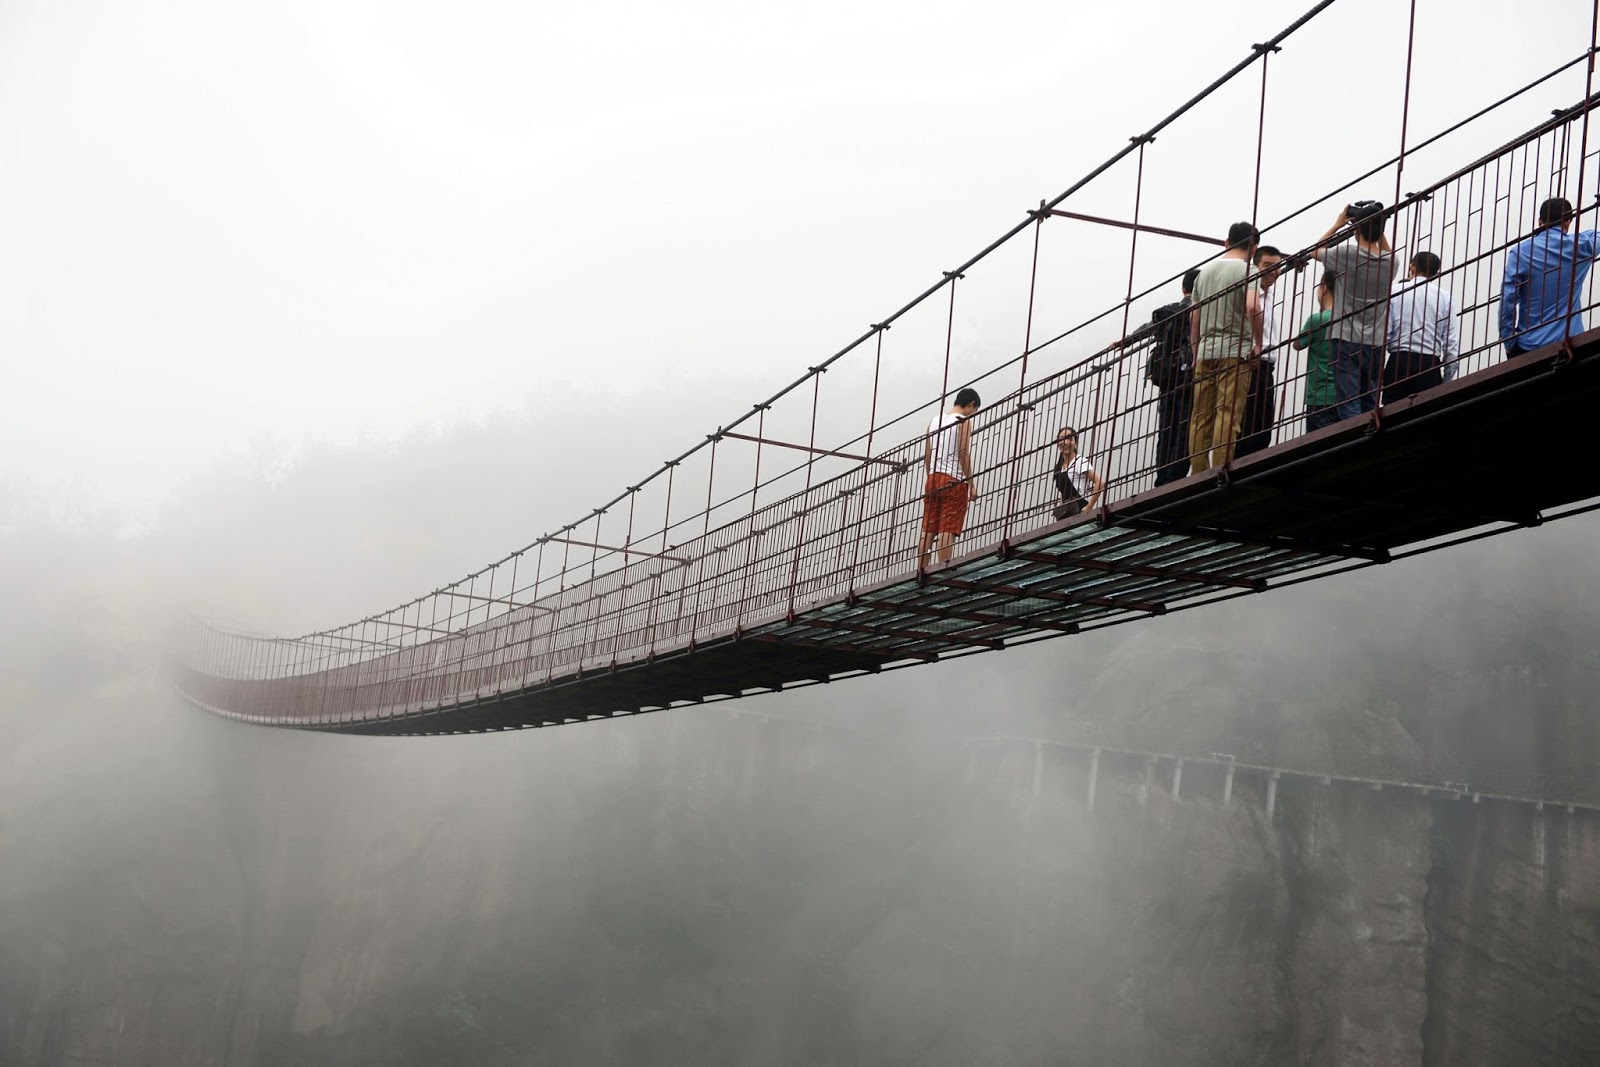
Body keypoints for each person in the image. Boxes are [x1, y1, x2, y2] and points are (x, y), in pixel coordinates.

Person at [1188, 221, 1263, 474]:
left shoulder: (1203, 274)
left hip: (1206, 352)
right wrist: (1258, 343)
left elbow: (1194, 319)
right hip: (1235, 351)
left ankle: (1198, 472)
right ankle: (1221, 470)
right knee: (1227, 413)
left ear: (1226, 242)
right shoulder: (1248, 271)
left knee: (1200, 417)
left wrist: (1196, 352)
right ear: (1253, 248)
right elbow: (1253, 307)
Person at [1312, 200, 1397, 421]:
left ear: (1356, 229)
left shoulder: (1347, 254)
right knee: (1369, 398)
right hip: (1375, 342)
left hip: (1345, 338)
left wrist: (1339, 223)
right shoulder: (1392, 262)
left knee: (1348, 400)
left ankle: (1355, 441)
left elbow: (1315, 251)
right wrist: (1378, 223)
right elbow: (1387, 252)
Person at [1500, 196, 1600, 357]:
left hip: (1529, 346)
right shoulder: (1581, 247)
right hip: (1571, 342)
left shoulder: (1520, 252)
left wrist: (1509, 342)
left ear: (1540, 221)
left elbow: (1508, 300)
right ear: (1568, 221)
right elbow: (1597, 236)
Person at [1137, 267, 1201, 485]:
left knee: (1166, 428)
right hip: (1189, 374)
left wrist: (1124, 341)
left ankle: (1162, 477)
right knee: (1185, 424)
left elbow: (1147, 328)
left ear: (1183, 287)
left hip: (1166, 377)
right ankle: (1176, 475)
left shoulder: (1168, 311)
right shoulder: (1203, 308)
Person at [1384, 251, 1459, 402]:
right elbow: (1451, 345)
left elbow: (1384, 334)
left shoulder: (1394, 292)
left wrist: (1380, 372)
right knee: (1426, 419)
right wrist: (1446, 380)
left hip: (1399, 361)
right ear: (1436, 274)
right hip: (1429, 365)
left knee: (1392, 418)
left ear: (1411, 268)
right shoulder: (1445, 298)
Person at [918, 387, 981, 569]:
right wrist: (972, 483)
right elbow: (963, 453)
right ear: (971, 405)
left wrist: (932, 476)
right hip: (953, 480)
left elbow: (928, 456)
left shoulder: (934, 422)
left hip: (932, 478)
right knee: (948, 527)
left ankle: (921, 570)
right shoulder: (963, 421)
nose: (973, 415)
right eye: (974, 411)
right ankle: (943, 569)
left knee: (928, 528)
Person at [1236, 245, 1285, 456]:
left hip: (1267, 366)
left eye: (1277, 267)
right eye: (1267, 266)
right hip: (1251, 363)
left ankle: (1255, 464)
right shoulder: (1249, 294)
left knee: (1264, 426)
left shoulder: (1270, 294)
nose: (1273, 272)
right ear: (1255, 267)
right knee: (1247, 425)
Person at [1295, 271, 1339, 431]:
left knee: (1315, 448)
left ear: (1324, 288)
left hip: (1319, 396)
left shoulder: (1316, 320)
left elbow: (1297, 344)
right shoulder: (1350, 318)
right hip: (1344, 394)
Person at [1050, 426, 1104, 520]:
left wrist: (1089, 506)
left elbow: (1100, 482)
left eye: (1069, 439)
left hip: (1079, 508)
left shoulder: (1080, 461)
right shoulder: (1059, 467)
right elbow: (1063, 493)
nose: (1065, 442)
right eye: (1062, 439)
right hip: (1067, 512)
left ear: (1075, 443)